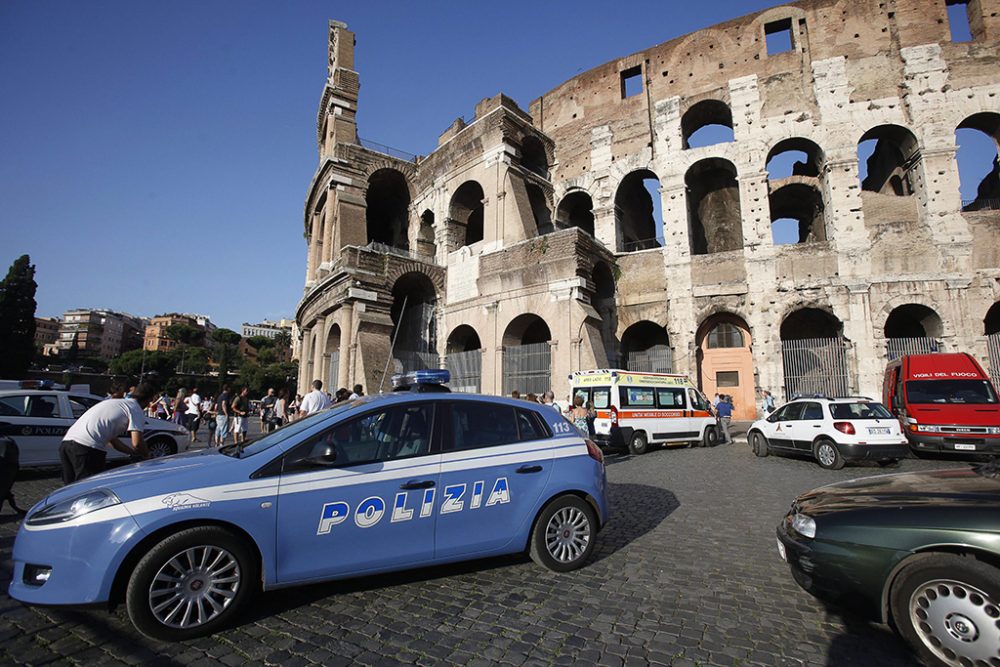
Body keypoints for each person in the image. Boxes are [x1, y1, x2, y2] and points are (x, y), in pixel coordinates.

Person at [59, 383, 152, 484]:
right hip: (88, 448)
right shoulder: (135, 409)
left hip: (67, 444)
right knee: (88, 488)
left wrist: (132, 452)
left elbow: (113, 441)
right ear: (148, 400)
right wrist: (147, 456)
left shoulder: (113, 403)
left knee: (69, 488)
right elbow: (137, 442)